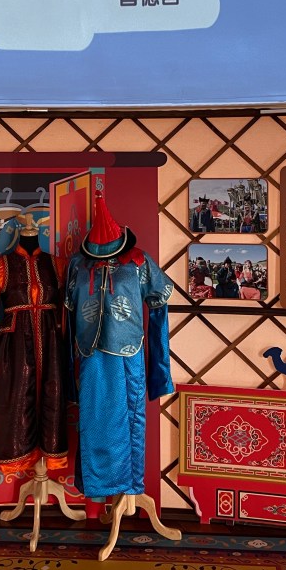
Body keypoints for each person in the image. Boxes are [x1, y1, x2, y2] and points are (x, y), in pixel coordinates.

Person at [65, 192, 174, 501]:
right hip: (90, 356)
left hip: (128, 355)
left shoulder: (138, 261)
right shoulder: (78, 265)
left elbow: (159, 304)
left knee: (129, 419)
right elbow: (68, 315)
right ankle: (99, 488)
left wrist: (160, 370)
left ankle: (128, 488)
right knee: (93, 421)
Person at [0, 213, 68, 474]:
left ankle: (51, 456)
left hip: (52, 344)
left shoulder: (58, 265)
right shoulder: (0, 267)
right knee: (17, 399)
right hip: (15, 345)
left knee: (53, 396)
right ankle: (20, 456)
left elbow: (67, 313)